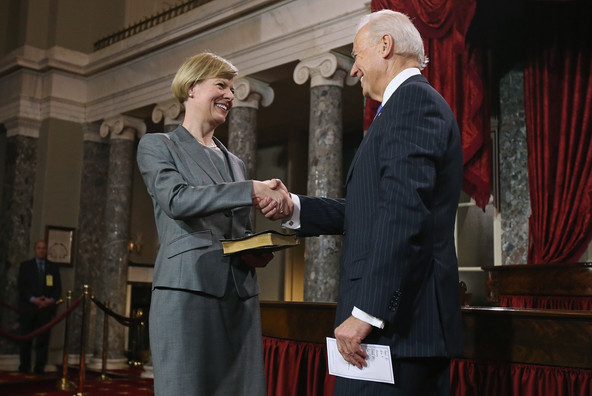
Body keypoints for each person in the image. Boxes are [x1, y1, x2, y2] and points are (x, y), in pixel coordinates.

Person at [260, 10, 463, 395]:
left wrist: (367, 312)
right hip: (396, 329)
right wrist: (295, 207)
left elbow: (404, 215)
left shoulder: (413, 104)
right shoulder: (402, 108)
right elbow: (375, 209)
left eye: (357, 55)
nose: (354, 70)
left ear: (385, 46)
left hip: (397, 328)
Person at [136, 52, 286, 396]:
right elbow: (177, 200)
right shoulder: (159, 146)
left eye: (233, 88)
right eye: (221, 85)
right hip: (187, 292)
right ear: (191, 88)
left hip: (240, 297)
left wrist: (254, 250)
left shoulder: (234, 162)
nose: (231, 96)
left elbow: (236, 231)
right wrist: (250, 190)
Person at [17, 240, 62, 374]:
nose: (41, 251)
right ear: (35, 250)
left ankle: (39, 368)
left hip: (46, 309)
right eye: (39, 248)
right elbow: (21, 287)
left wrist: (50, 300)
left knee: (43, 340)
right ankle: (24, 367)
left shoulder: (52, 267)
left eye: (43, 248)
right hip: (28, 308)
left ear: (46, 251)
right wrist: (34, 300)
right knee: (26, 339)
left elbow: (57, 288)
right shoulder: (26, 266)